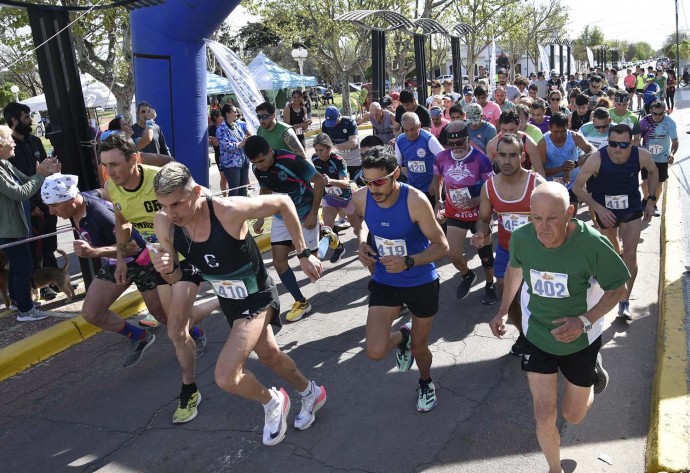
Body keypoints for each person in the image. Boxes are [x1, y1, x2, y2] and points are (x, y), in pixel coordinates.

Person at [151, 162, 325, 446]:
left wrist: (303, 251)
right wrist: (165, 266)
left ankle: (272, 402)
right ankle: (310, 392)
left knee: (225, 376)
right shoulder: (166, 223)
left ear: (195, 192)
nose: (172, 213)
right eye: (164, 206)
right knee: (269, 355)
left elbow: (282, 202)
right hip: (229, 299)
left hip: (257, 295)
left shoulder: (228, 211)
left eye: (177, 204)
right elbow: (174, 275)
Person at [490, 182, 630, 473]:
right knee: (544, 413)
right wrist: (503, 311)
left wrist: (584, 321)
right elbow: (515, 268)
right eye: (537, 218)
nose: (543, 227)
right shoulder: (522, 238)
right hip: (538, 335)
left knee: (573, 415)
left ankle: (593, 373)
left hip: (582, 339)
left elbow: (618, 287)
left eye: (552, 218)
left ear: (569, 212)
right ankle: (555, 469)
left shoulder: (591, 243)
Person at [99, 133, 214, 423]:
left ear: (134, 160)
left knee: (175, 331)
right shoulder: (112, 188)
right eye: (104, 165)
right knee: (176, 322)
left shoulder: (159, 180)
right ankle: (220, 304)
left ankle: (189, 390)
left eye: (114, 164)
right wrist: (121, 258)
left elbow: (202, 199)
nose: (110, 172)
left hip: (189, 256)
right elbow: (122, 222)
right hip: (159, 260)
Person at [353, 145, 448, 412]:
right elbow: (357, 219)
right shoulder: (363, 197)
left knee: (420, 347)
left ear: (396, 173)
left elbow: (442, 246)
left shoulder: (415, 201)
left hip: (420, 283)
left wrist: (408, 261)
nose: (374, 189)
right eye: (367, 182)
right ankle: (401, 337)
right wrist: (362, 242)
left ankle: (426, 382)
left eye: (380, 181)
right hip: (385, 282)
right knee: (375, 351)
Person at [41, 173, 165, 367]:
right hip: (115, 263)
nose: (51, 212)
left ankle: (196, 334)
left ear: (72, 199)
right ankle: (140, 336)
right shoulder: (78, 203)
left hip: (141, 263)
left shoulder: (99, 214)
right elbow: (104, 190)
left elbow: (133, 246)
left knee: (160, 314)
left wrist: (94, 251)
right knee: (92, 313)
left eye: (54, 205)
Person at [572, 124, 658, 321]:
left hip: (631, 210)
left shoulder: (641, 155)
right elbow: (577, 188)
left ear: (631, 143)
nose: (617, 149)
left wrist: (651, 200)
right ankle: (615, 286)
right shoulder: (597, 158)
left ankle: (624, 300)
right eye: (613, 144)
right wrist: (598, 208)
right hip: (606, 213)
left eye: (623, 144)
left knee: (630, 254)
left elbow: (653, 172)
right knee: (613, 253)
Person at [473, 134, 546, 355]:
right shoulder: (489, 187)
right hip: (507, 251)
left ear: (522, 157)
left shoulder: (537, 184)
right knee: (507, 294)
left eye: (512, 155)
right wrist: (480, 232)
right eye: (502, 155)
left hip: (540, 253)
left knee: (541, 299)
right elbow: (484, 219)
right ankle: (525, 335)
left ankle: (543, 338)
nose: (506, 161)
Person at [246, 136, 325, 323]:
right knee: (279, 262)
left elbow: (319, 180)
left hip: (306, 214)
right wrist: (260, 218)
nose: (260, 166)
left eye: (262, 160)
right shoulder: (257, 169)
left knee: (313, 269)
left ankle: (328, 237)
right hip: (281, 217)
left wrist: (314, 213)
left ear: (271, 152)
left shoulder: (292, 161)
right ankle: (301, 301)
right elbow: (265, 192)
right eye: (255, 163)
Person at [0, 125, 60, 321]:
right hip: (9, 229)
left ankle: (19, 301)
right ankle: (26, 310)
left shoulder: (6, 165)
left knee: (17, 267)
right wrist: (40, 175)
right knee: (23, 266)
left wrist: (45, 173)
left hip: (16, 226)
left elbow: (29, 181)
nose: (13, 143)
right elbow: (20, 193)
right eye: (10, 140)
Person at [432, 120, 496, 302]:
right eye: (451, 143)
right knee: (453, 254)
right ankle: (467, 275)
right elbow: (437, 176)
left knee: (485, 254)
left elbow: (490, 188)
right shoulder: (442, 157)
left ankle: (490, 283)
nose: (456, 147)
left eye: (460, 142)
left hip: (479, 215)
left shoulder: (480, 159)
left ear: (468, 139)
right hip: (455, 213)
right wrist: (439, 200)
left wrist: (474, 200)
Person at [311, 133, 355, 263]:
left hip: (345, 199)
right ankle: (339, 248)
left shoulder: (338, 161)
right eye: (316, 150)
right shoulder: (315, 159)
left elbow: (346, 183)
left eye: (321, 150)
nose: (318, 153)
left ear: (329, 148)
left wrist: (331, 181)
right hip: (330, 198)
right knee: (327, 230)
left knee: (357, 229)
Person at [538, 113, 596, 203]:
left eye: (563, 131)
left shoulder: (575, 137)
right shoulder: (543, 143)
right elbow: (541, 171)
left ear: (568, 127)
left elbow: (593, 152)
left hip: (572, 184)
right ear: (549, 128)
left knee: (572, 214)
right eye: (556, 132)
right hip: (552, 186)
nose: (559, 135)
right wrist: (562, 169)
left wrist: (575, 164)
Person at [395, 112, 444, 203]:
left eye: (412, 129)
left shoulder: (429, 139)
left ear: (419, 125)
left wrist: (435, 182)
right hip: (413, 188)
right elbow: (397, 164)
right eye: (406, 130)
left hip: (431, 189)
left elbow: (444, 159)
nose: (409, 133)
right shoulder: (399, 141)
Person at [639, 100, 678, 217]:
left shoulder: (670, 122)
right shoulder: (644, 122)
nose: (657, 116)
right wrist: (640, 151)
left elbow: (675, 141)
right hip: (647, 158)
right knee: (645, 182)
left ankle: (654, 204)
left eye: (660, 114)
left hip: (662, 158)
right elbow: (636, 139)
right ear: (650, 111)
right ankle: (646, 200)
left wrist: (672, 154)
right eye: (654, 113)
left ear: (664, 112)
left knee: (658, 184)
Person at [486, 110, 546, 177]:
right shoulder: (493, 144)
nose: (508, 133)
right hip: (502, 182)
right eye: (504, 130)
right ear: (500, 127)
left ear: (518, 125)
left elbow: (540, 171)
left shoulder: (528, 143)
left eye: (511, 130)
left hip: (524, 180)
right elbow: (485, 171)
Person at [216, 103, 251, 197]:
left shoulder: (236, 125)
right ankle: (232, 211)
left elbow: (243, 139)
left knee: (243, 190)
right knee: (234, 191)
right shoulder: (221, 129)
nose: (237, 114)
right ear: (227, 113)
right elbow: (227, 147)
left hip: (243, 161)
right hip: (231, 164)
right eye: (234, 112)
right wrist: (241, 143)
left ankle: (244, 210)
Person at [322, 106, 361, 179]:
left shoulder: (349, 122)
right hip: (338, 159)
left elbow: (352, 143)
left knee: (358, 181)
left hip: (353, 159)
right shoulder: (325, 125)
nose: (331, 125)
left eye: (333, 121)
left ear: (339, 116)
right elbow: (325, 142)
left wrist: (333, 147)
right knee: (340, 184)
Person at [207, 109, 226, 194]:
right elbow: (216, 144)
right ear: (216, 117)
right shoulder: (211, 129)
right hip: (219, 155)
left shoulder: (226, 125)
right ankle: (225, 195)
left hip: (230, 155)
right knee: (223, 176)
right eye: (221, 116)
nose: (223, 117)